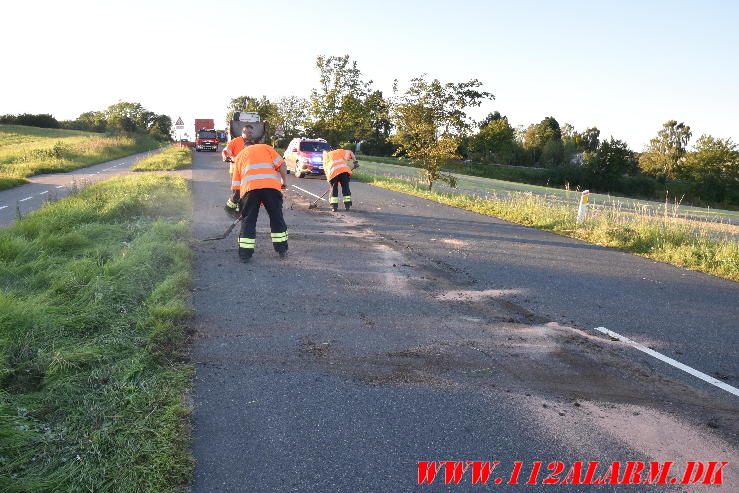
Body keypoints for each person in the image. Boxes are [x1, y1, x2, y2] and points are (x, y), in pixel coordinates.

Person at [231, 143, 289, 262]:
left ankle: (245, 254)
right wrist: (284, 181)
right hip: (271, 187)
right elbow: (282, 164)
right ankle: (282, 249)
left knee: (248, 220)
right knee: (276, 217)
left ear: (244, 148)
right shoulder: (266, 148)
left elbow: (236, 186)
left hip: (249, 190)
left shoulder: (240, 156)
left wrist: (236, 203)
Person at [222, 125, 255, 213]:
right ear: (243, 132)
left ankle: (239, 210)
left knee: (245, 192)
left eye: (252, 133)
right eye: (249, 133)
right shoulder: (236, 141)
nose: (251, 134)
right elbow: (225, 152)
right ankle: (228, 208)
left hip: (247, 172)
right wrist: (227, 158)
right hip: (235, 171)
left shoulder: (253, 143)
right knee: (237, 192)